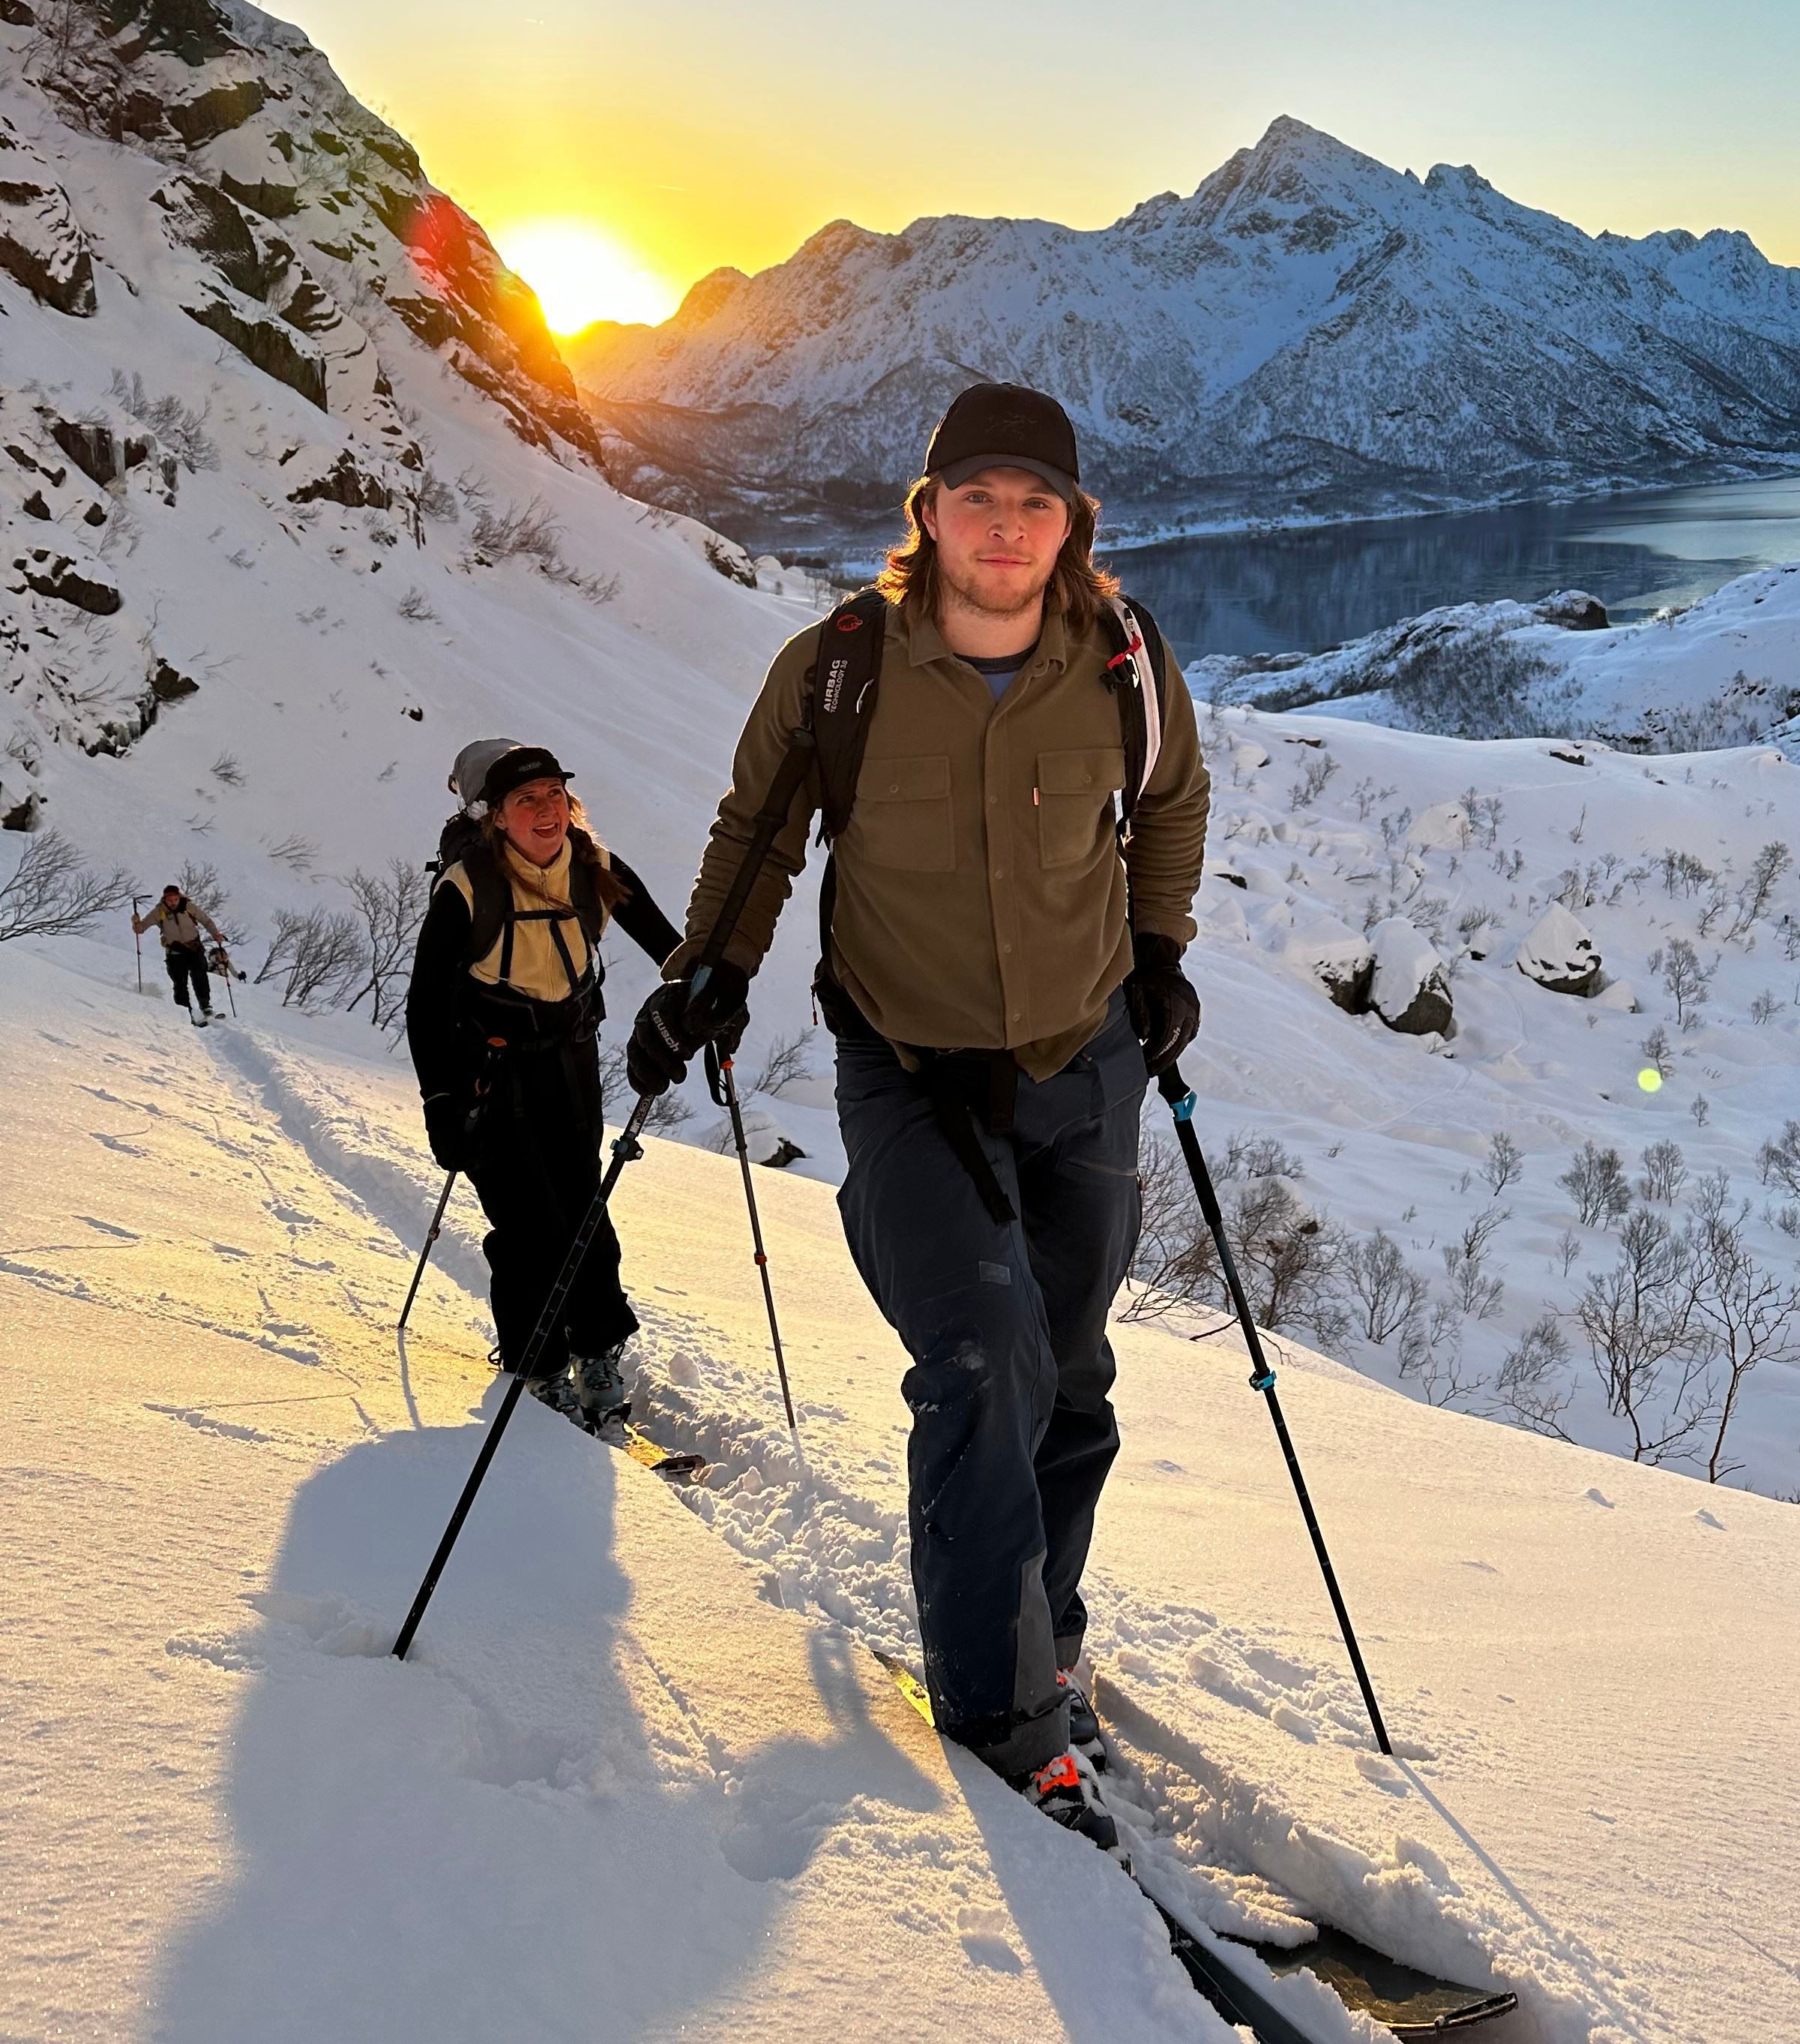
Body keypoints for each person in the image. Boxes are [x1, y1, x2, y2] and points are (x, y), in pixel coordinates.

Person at [627, 383, 1208, 1847]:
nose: (1004, 528)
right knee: (979, 1351)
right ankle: (1004, 1725)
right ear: (927, 515)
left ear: (1075, 526)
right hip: (909, 1067)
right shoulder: (840, 668)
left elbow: (1171, 806)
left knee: (1070, 1377)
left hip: (1083, 1060)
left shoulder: (1125, 662)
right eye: (976, 498)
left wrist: (1159, 953)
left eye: (1035, 504)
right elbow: (758, 828)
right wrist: (711, 967)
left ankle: (1046, 1632)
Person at [406, 744, 683, 1430]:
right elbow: (426, 1004)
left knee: (580, 1201)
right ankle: (538, 1361)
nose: (545, 809)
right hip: (488, 1071)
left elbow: (669, 947)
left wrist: (706, 994)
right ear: (496, 817)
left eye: (554, 793)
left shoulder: (595, 869)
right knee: (530, 1219)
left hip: (569, 1058)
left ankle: (595, 1348)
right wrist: (440, 1103)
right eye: (526, 800)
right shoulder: (466, 888)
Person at [136, 884, 219, 1024]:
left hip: (194, 948)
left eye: (175, 899)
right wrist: (136, 923)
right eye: (170, 900)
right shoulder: (159, 912)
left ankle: (206, 1006)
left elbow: (206, 920)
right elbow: (141, 928)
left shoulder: (189, 907)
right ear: (165, 899)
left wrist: (216, 934)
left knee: (200, 977)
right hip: (175, 953)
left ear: (179, 897)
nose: (173, 903)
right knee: (180, 984)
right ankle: (186, 1013)